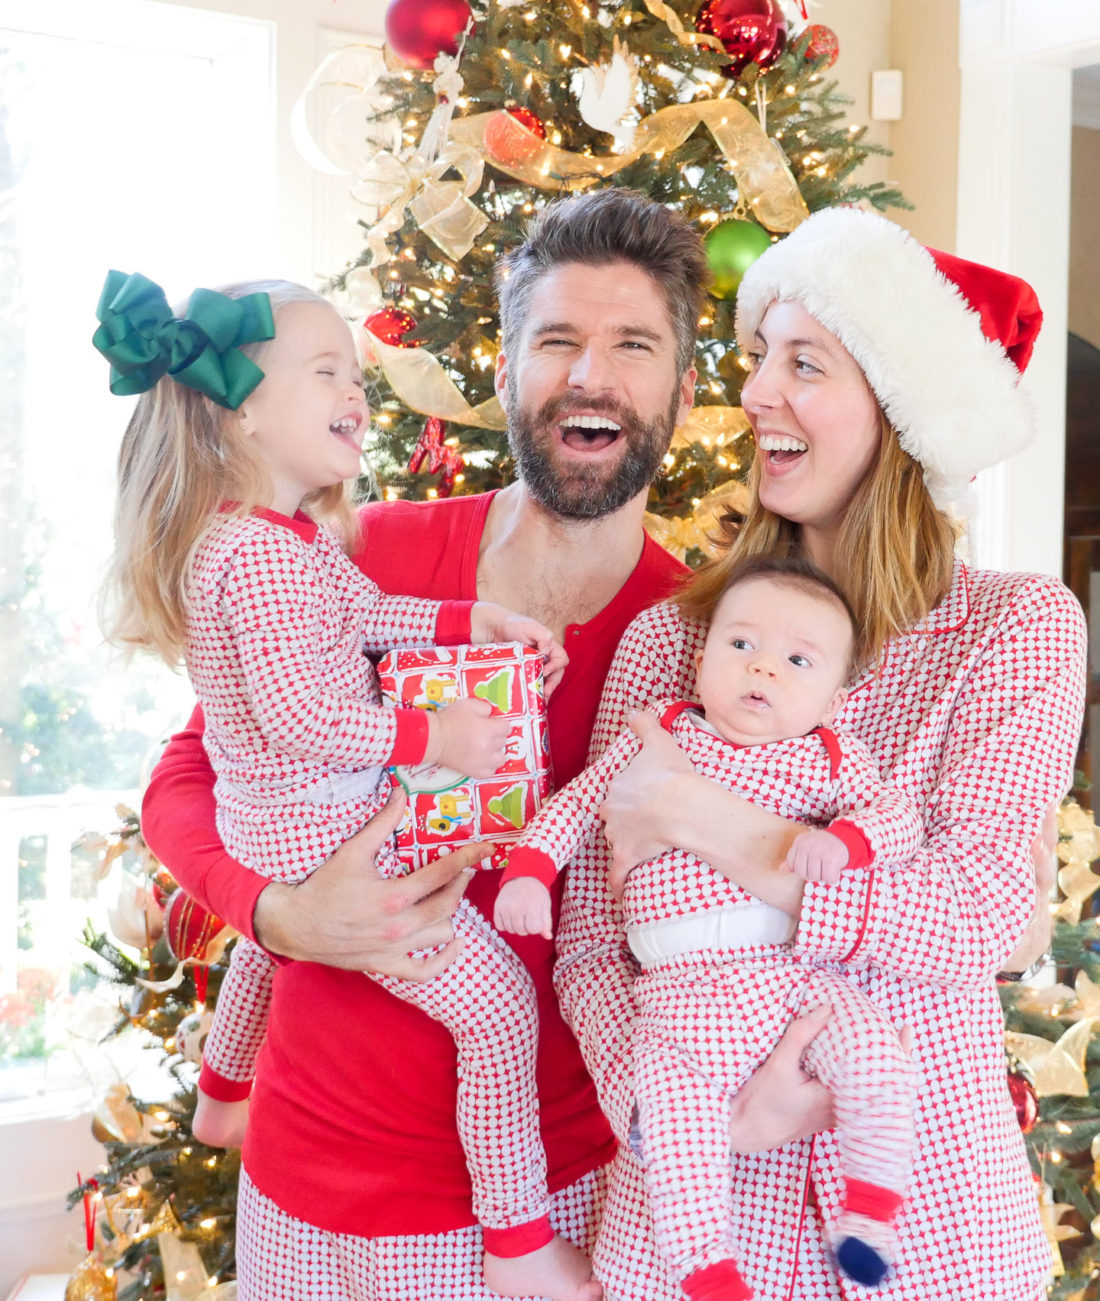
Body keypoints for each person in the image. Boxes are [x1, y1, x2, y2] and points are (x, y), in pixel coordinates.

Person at [136, 188, 732, 1301]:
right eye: (554, 340)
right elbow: (187, 774)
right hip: (315, 1182)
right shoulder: (361, 550)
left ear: (683, 392)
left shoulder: (716, 644)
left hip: (563, 1194)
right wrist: (278, 910)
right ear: (506, 376)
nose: (588, 374)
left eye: (631, 345)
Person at [554, 205, 1086, 1301]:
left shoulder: (1013, 629)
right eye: (758, 358)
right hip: (696, 1231)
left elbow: (981, 910)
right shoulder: (672, 639)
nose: (753, 393)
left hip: (924, 1230)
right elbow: (589, 945)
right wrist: (661, 1110)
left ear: (899, 414)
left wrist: (714, 825)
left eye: (804, 362)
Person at [95, 272, 602, 1300]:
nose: (356, 394)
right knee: (496, 1006)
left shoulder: (269, 540)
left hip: (275, 831)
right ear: (239, 408)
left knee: (270, 948)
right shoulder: (266, 558)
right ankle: (516, 1241)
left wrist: (470, 624)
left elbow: (370, 613)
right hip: (321, 834)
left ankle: (224, 1091)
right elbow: (307, 719)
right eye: (327, 370)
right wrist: (438, 732)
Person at [496, 554, 923, 1298]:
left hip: (790, 978)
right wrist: (530, 869)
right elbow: (575, 805)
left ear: (835, 698)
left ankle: (870, 1215)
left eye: (797, 660)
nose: (763, 670)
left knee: (878, 1059)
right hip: (680, 996)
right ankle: (707, 1270)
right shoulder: (662, 737)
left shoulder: (827, 756)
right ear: (699, 663)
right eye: (740, 645)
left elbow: (896, 819)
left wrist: (845, 841)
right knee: (676, 1129)